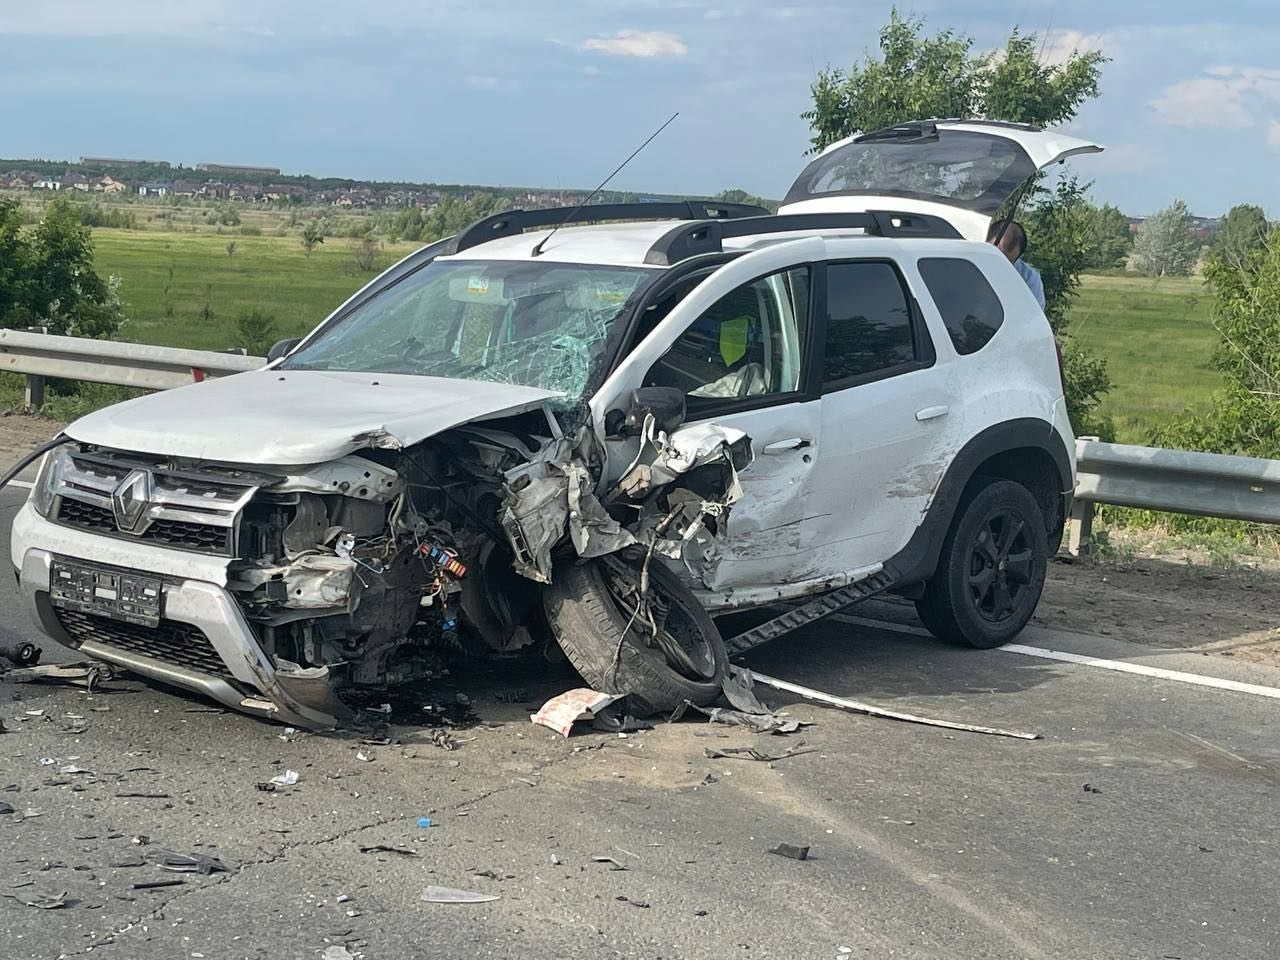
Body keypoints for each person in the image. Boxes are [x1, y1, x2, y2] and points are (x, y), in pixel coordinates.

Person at [988, 219, 1045, 310]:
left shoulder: (1029, 280)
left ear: (1017, 259)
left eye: (1007, 261)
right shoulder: (965, 262)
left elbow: (1032, 318)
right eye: (996, 255)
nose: (999, 265)